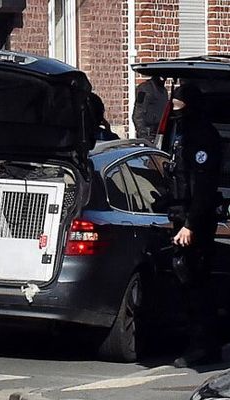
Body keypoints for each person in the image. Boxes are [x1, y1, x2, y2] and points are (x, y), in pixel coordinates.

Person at [164, 83, 222, 368]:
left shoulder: (202, 137)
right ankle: (197, 341)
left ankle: (204, 345)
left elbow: (203, 186)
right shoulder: (183, 133)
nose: (175, 110)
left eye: (178, 105)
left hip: (195, 220)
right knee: (186, 282)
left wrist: (190, 224)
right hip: (182, 216)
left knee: (196, 282)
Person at [133, 76, 168, 142]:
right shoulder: (145, 89)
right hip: (148, 134)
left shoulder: (163, 91)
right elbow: (138, 114)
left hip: (159, 133)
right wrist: (144, 135)